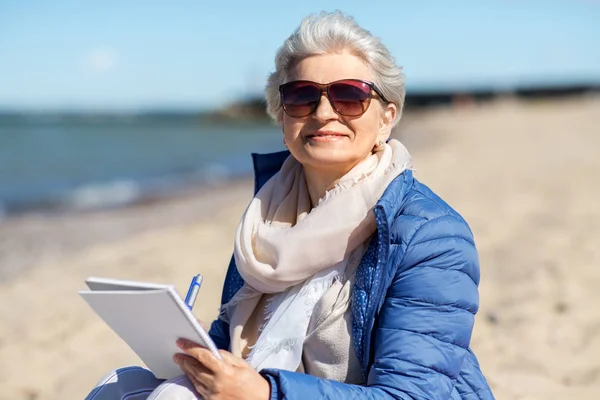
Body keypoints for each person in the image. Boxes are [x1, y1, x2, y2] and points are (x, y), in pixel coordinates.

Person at [86, 11, 495, 400]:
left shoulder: (430, 235)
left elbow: (414, 394)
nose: (323, 112)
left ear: (386, 119)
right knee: (122, 385)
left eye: (349, 96)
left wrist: (266, 393)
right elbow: (233, 342)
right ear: (282, 120)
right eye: (301, 96)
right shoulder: (265, 222)